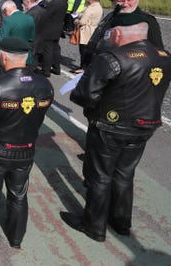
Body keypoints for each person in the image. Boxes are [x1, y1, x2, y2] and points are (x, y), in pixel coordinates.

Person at [62, 20, 171, 242]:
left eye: (112, 33)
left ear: (119, 34)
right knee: (124, 173)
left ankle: (93, 225)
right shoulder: (163, 56)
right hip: (145, 124)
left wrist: (85, 94)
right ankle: (121, 222)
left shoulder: (112, 58)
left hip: (110, 125)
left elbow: (85, 95)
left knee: (100, 176)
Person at [0, 37, 54, 251]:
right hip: (25, 147)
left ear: (4, 56)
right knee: (18, 193)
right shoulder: (44, 84)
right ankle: (16, 237)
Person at [81, 0, 164, 68]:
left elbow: (157, 49)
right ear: (114, 2)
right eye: (121, 1)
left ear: (137, 0)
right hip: (103, 66)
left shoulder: (147, 20)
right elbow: (96, 39)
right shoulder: (111, 17)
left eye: (130, 0)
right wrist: (86, 64)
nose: (125, 4)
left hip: (133, 70)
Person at [41, 0, 67, 77]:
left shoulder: (53, 3)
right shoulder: (64, 1)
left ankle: (46, 70)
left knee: (47, 50)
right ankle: (57, 68)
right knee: (55, 49)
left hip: (49, 29)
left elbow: (46, 16)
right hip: (58, 28)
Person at [74, 0, 103, 72]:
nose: (87, 0)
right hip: (94, 28)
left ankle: (83, 67)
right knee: (90, 49)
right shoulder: (99, 7)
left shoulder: (90, 8)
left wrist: (76, 21)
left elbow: (82, 21)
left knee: (83, 50)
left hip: (86, 30)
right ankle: (86, 66)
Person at [23, 0, 46, 69]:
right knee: (34, 63)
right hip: (40, 41)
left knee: (29, 66)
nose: (24, 6)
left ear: (27, 2)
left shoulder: (30, 13)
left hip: (31, 43)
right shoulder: (43, 10)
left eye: (24, 3)